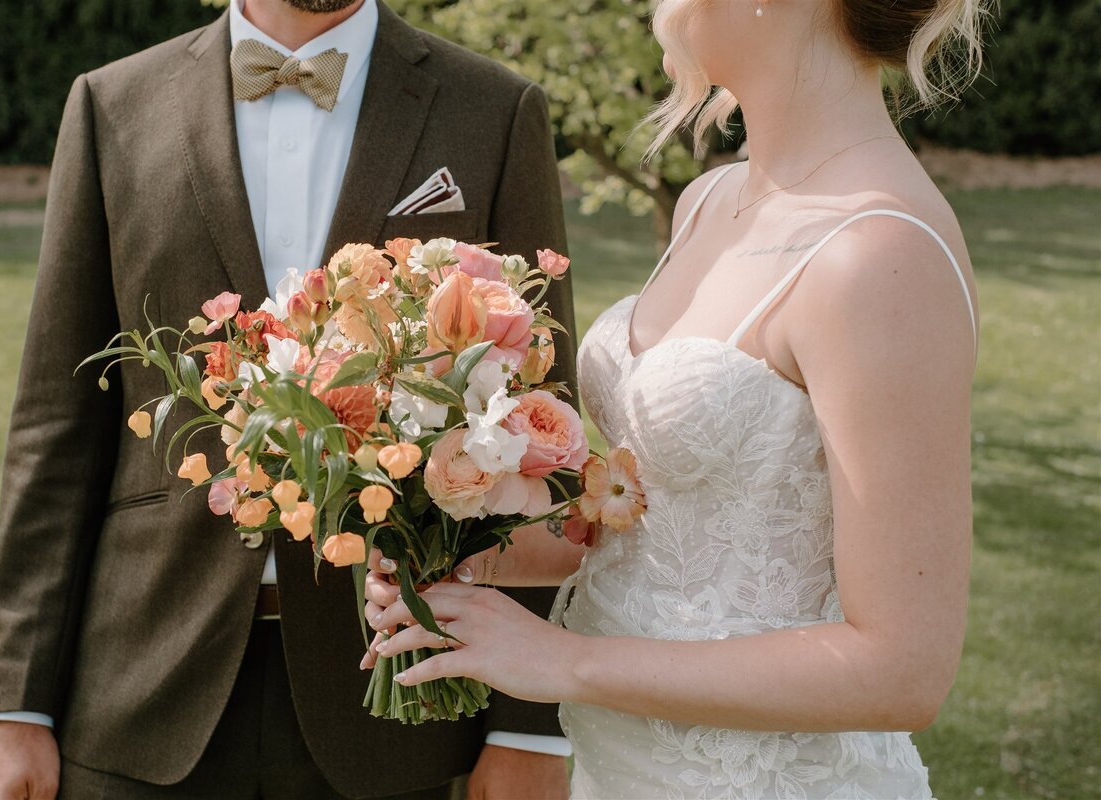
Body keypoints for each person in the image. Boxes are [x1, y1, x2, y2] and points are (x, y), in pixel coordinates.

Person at [362, 0, 986, 796]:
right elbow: (672, 524)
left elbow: (901, 669)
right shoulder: (709, 202)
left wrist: (564, 661)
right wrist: (471, 553)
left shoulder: (882, 256)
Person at [0, 1, 578, 797]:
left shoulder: (493, 110)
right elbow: (56, 421)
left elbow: (541, 429)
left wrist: (527, 727)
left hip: (400, 705)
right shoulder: (110, 105)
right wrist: (18, 707)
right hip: (139, 690)